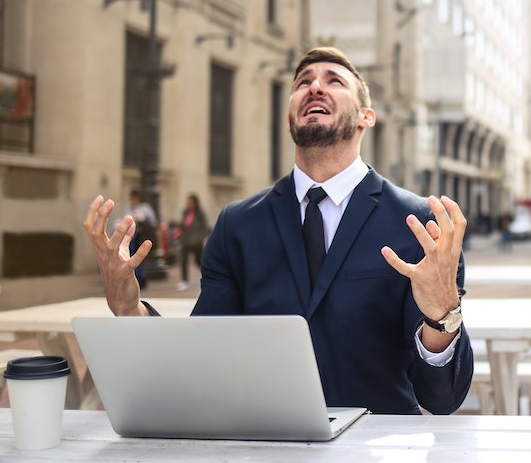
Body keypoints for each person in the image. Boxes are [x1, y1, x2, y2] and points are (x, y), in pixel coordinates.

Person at [83, 46, 473, 415]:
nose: (315, 86)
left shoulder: (420, 225)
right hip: (266, 445)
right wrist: (128, 309)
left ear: (366, 117)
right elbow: (200, 357)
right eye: (303, 82)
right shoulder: (237, 225)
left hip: (376, 447)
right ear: (289, 121)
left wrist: (443, 313)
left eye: (334, 80)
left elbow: (442, 398)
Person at [124, 189, 157, 290]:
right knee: (131, 256)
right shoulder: (129, 208)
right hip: (131, 237)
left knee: (140, 257)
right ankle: (134, 277)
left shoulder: (145, 208)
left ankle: (140, 278)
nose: (133, 200)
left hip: (141, 236)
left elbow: (152, 222)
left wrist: (142, 221)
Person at [176, 193, 209, 290]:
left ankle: (207, 277)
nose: (189, 204)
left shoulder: (200, 214)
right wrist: (181, 237)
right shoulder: (185, 212)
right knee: (183, 261)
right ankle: (184, 281)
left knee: (199, 261)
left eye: (190, 202)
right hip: (185, 241)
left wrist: (199, 238)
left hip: (196, 242)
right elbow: (182, 226)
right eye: (188, 202)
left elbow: (205, 228)